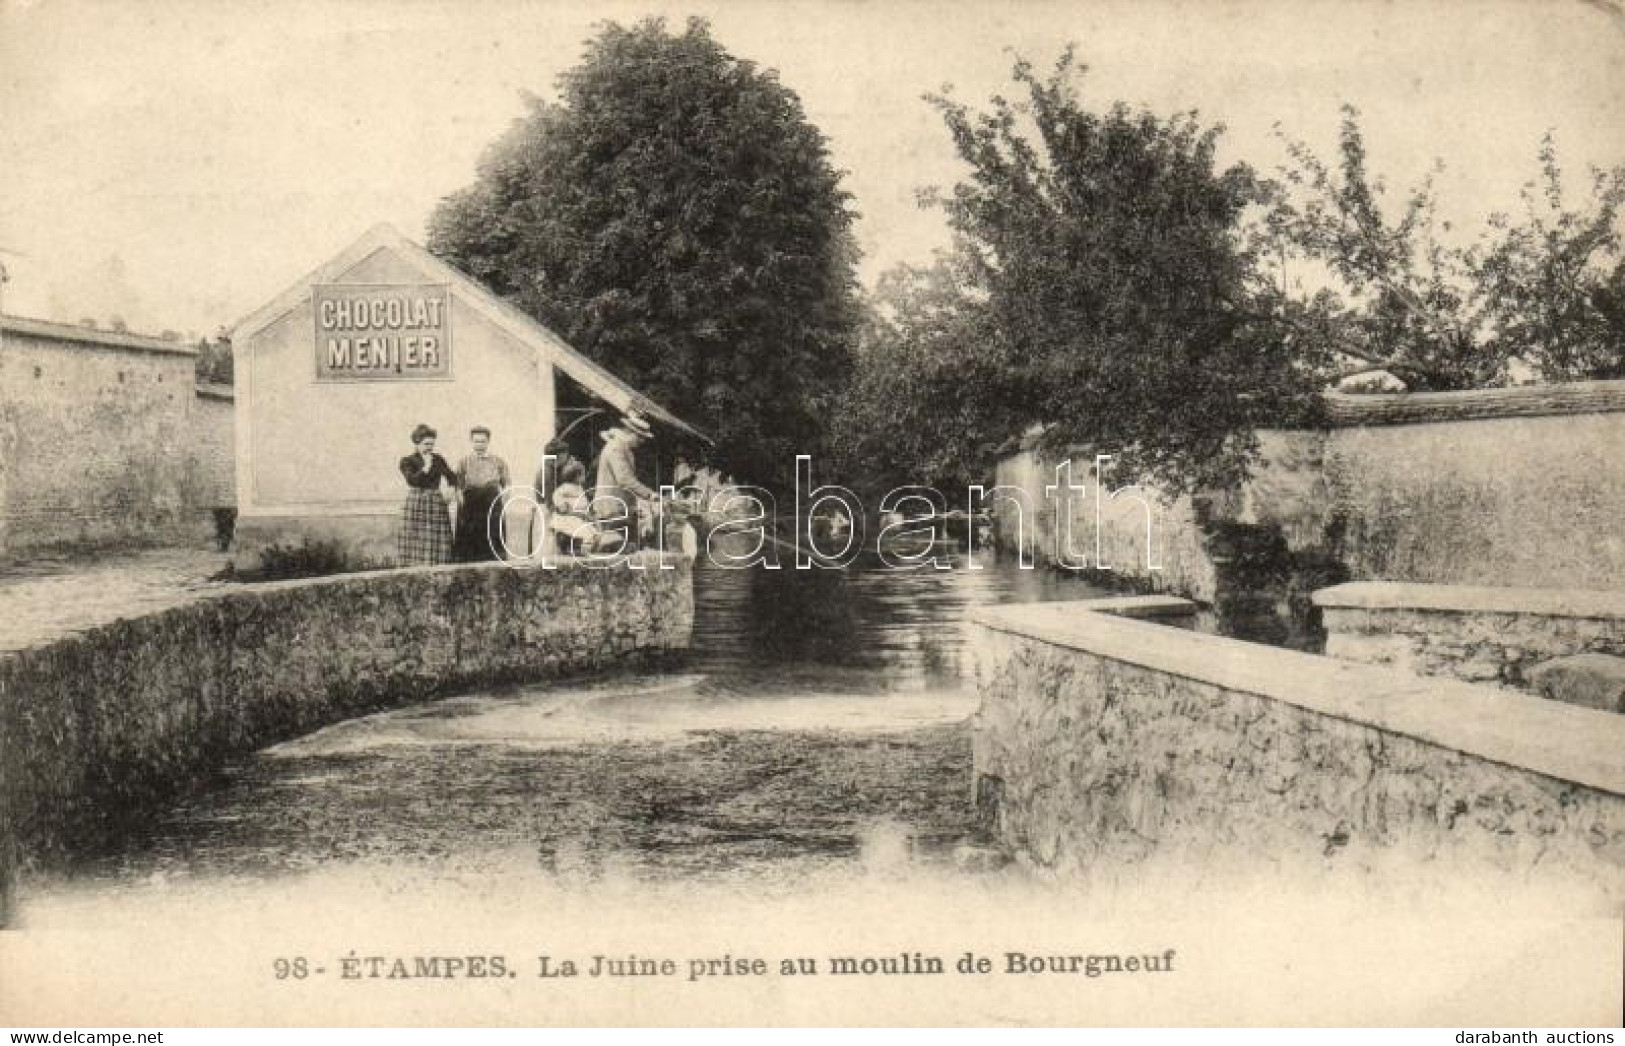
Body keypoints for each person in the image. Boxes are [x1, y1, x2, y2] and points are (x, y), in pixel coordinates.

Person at [590, 412, 658, 551]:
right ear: (631, 433)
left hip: (618, 508)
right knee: (615, 552)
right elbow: (624, 479)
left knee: (618, 551)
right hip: (612, 508)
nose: (642, 442)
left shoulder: (623, 448)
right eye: (640, 438)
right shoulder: (616, 448)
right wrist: (650, 494)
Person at [397, 423, 456, 566]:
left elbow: (452, 476)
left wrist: (451, 489)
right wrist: (426, 467)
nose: (429, 447)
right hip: (416, 503)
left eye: (431, 444)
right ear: (416, 444)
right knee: (416, 537)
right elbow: (412, 480)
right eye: (426, 444)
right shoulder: (407, 461)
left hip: (435, 502)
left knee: (437, 538)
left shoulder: (438, 459)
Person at [453, 425, 511, 561]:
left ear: (488, 441)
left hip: (491, 502)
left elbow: (507, 484)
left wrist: (504, 503)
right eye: (476, 441)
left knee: (493, 536)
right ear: (471, 441)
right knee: (470, 540)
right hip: (471, 505)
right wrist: (461, 502)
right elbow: (458, 485)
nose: (479, 445)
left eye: (482, 441)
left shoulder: (498, 461)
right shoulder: (464, 462)